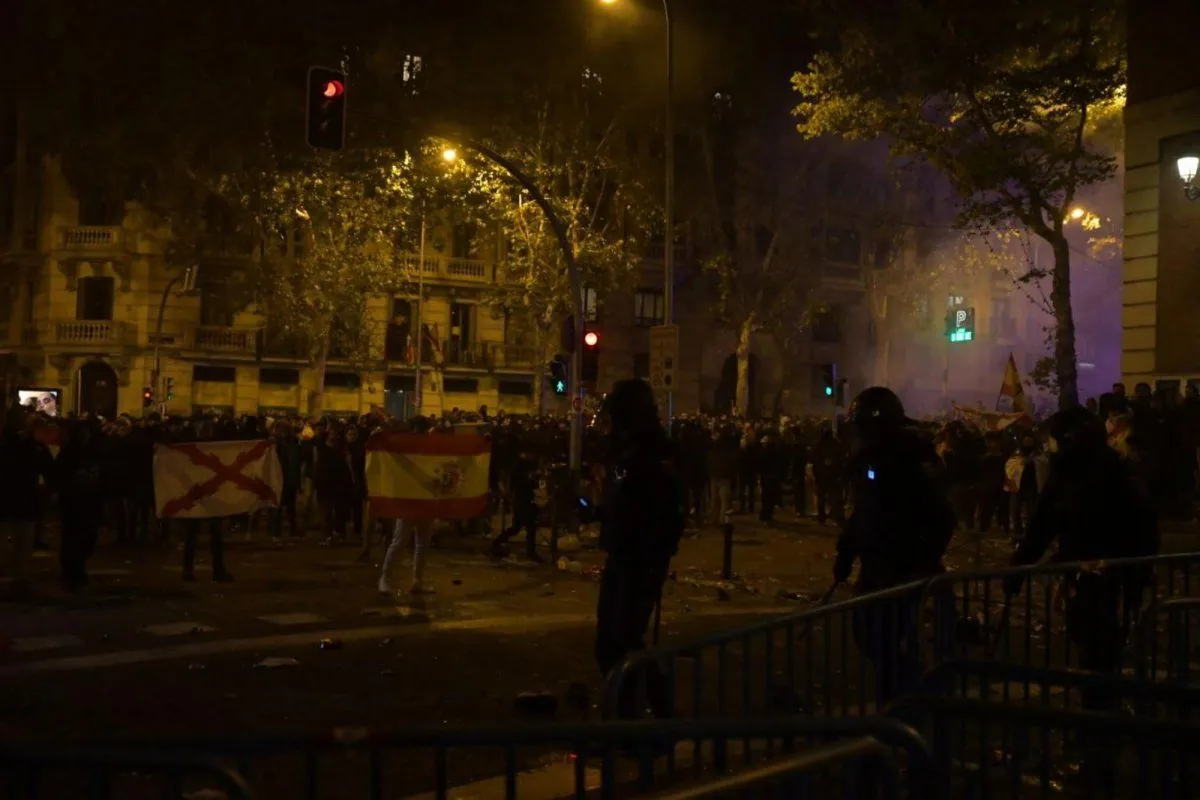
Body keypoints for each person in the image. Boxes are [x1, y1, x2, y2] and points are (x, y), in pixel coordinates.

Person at [1005, 406, 1159, 710]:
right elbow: (1043, 526)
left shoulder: (1108, 475)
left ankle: (1100, 717)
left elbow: (1142, 530)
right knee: (1091, 644)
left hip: (1108, 579)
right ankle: (1101, 709)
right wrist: (1019, 569)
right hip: (1091, 576)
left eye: (1056, 440)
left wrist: (1134, 580)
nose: (1051, 446)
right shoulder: (1076, 473)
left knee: (1099, 647)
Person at [833, 386, 956, 706]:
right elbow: (864, 512)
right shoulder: (871, 459)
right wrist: (845, 553)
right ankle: (899, 703)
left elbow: (942, 518)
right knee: (870, 637)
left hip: (904, 574)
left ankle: (905, 711)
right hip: (877, 570)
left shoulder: (910, 459)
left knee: (894, 644)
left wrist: (921, 562)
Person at [593, 380, 685, 720]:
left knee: (624, 639)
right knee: (609, 640)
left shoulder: (656, 456)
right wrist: (598, 511)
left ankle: (646, 712)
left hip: (641, 560)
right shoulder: (628, 453)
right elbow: (623, 502)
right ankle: (630, 710)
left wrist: (653, 554)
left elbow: (664, 513)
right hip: (621, 554)